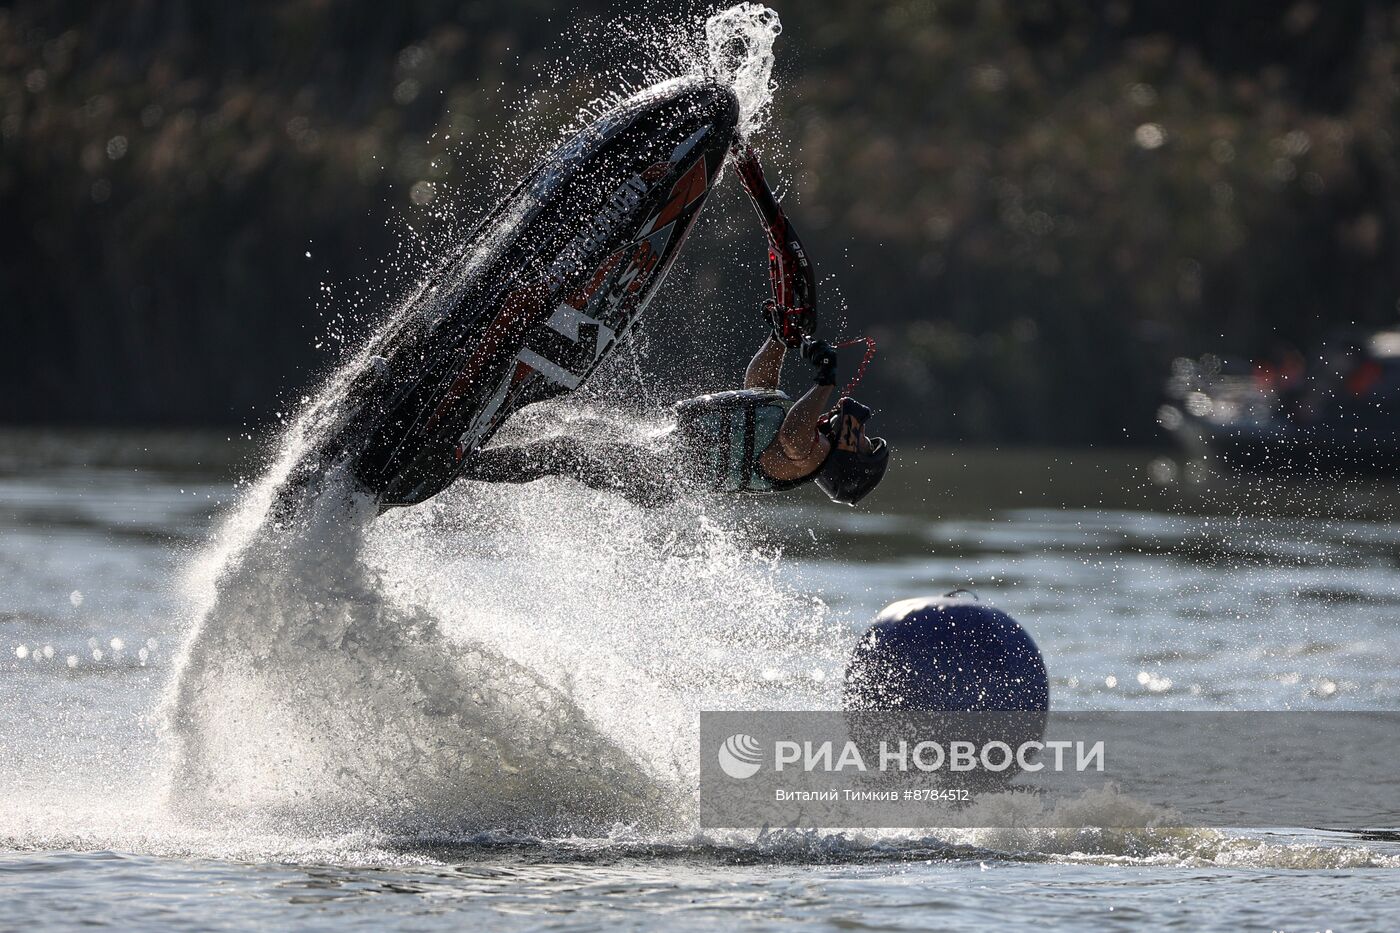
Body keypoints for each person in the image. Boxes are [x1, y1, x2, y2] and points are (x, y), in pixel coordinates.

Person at [457, 324, 889, 507]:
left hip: (657, 476)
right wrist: (781, 336)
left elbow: (795, 435)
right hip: (658, 448)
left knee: (563, 452)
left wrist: (826, 380)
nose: (860, 432)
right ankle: (474, 428)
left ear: (848, 457)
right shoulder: (801, 438)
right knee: (571, 423)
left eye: (864, 443)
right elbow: (759, 384)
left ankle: (460, 464)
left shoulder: (802, 457)